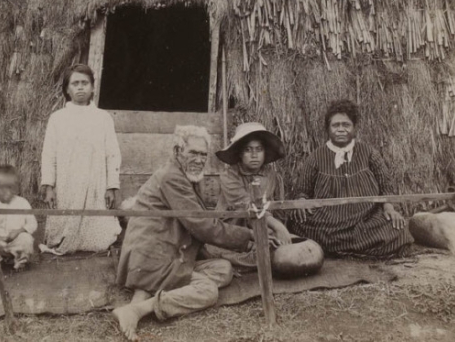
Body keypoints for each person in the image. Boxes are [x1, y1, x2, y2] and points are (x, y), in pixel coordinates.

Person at [113, 125, 270, 342]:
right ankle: (141, 309)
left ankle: (145, 295)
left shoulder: (186, 176)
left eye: (203, 154)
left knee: (224, 269)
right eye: (193, 153)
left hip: (168, 250)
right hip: (154, 255)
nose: (199, 159)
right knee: (208, 292)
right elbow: (203, 226)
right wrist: (248, 237)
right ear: (178, 152)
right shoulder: (172, 177)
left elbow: (200, 222)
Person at [289, 100, 413, 258]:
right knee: (297, 222)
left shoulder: (368, 153)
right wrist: (301, 200)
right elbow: (302, 190)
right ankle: (359, 249)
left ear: (354, 128)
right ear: (328, 129)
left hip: (366, 218)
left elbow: (386, 186)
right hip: (329, 221)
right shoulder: (316, 157)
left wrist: (389, 207)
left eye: (346, 125)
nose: (341, 129)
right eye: (335, 125)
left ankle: (336, 250)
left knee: (398, 228)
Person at [39, 64, 122, 253]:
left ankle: (94, 242)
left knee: (99, 241)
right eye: (75, 83)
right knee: (61, 231)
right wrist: (49, 185)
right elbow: (49, 153)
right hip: (67, 180)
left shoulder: (103, 118)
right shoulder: (58, 118)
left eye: (85, 83)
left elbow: (112, 153)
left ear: (92, 87)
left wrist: (111, 186)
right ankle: (64, 240)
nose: (80, 87)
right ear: (67, 89)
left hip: (95, 181)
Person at [206, 122, 293, 269]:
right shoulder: (229, 176)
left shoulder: (271, 175)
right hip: (232, 229)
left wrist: (277, 229)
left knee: (280, 249)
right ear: (240, 153)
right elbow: (248, 204)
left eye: (259, 149)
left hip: (260, 225)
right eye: (248, 150)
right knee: (216, 251)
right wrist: (276, 226)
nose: (254, 155)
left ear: (265, 152)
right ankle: (234, 257)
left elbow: (272, 207)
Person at [0, 165, 37, 270]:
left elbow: (32, 224)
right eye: (2, 187)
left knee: (26, 240)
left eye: (10, 187)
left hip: (15, 240)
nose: (7, 191)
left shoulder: (22, 203)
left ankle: (20, 262)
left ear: (16, 188)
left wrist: (19, 231)